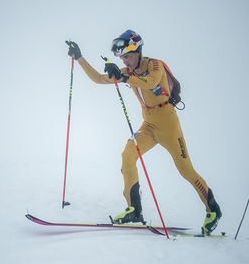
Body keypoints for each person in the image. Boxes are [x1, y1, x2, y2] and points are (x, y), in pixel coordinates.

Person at [66, 30, 222, 235]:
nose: (125, 61)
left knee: (186, 170)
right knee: (127, 155)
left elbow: (151, 82)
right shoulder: (128, 72)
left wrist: (123, 77)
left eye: (128, 56)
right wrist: (79, 58)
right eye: (122, 58)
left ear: (138, 51)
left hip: (168, 126)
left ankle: (213, 210)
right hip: (148, 126)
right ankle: (134, 210)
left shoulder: (154, 65)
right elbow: (98, 79)